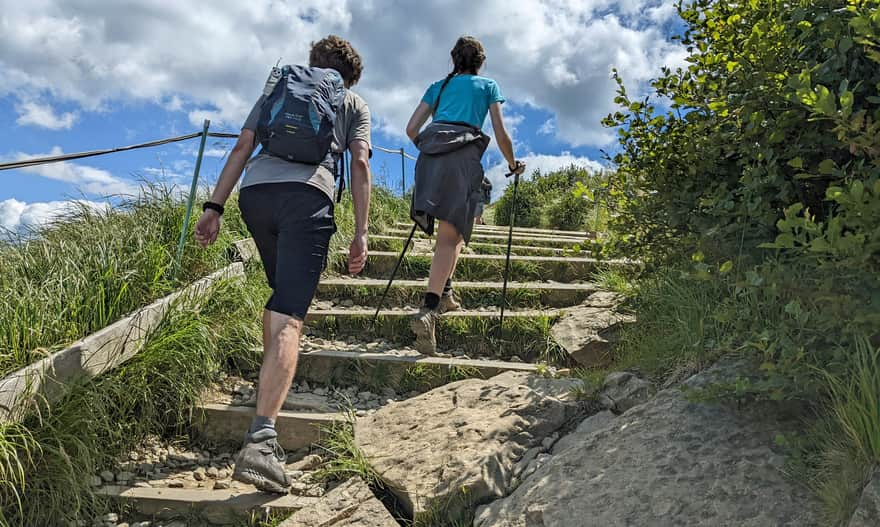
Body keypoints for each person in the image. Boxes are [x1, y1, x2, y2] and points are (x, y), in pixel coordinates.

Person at [194, 35, 372, 493]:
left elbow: (242, 145)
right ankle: (262, 439)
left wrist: (214, 206)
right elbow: (360, 164)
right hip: (307, 199)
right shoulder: (353, 102)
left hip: (256, 195)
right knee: (292, 313)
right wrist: (360, 232)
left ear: (313, 64)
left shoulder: (278, 86)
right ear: (349, 75)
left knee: (279, 299)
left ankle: (268, 384)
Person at [405, 36, 525, 355]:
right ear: (481, 62)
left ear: (454, 59)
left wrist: (434, 148)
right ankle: (429, 310)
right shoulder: (487, 86)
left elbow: (411, 129)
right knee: (450, 237)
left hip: (430, 159)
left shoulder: (438, 86)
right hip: (462, 159)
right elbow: (500, 133)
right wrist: (513, 165)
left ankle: (446, 294)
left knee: (450, 236)